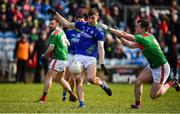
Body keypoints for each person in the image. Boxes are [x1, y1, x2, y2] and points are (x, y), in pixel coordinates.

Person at [99, 19, 180, 109]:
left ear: (143, 29)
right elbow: (130, 45)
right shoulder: (146, 37)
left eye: (137, 26)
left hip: (161, 67)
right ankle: (137, 105)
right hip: (153, 65)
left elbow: (125, 35)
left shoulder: (143, 38)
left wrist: (109, 29)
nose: (135, 27)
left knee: (153, 95)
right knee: (138, 82)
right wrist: (118, 35)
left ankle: (172, 82)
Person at [47, 8, 112, 108]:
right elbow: (67, 24)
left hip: (91, 58)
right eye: (90, 18)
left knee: (90, 79)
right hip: (79, 57)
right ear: (88, 18)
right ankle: (82, 103)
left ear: (98, 17)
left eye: (94, 18)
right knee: (78, 80)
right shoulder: (82, 25)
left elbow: (101, 48)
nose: (92, 20)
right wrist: (56, 14)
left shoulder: (99, 31)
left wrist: (102, 63)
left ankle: (102, 83)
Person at [36, 17, 77, 103]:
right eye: (49, 24)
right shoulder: (62, 32)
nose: (50, 25)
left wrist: (44, 55)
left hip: (58, 58)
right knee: (60, 78)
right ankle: (71, 94)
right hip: (65, 58)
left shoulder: (55, 33)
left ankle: (43, 98)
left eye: (52, 24)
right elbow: (68, 43)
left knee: (48, 76)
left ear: (57, 24)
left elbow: (51, 48)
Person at [61, 15, 86, 102]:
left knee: (74, 78)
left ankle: (72, 95)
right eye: (78, 21)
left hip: (79, 56)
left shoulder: (85, 33)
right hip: (70, 55)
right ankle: (64, 94)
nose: (80, 23)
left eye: (82, 21)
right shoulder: (69, 32)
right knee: (66, 77)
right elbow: (65, 42)